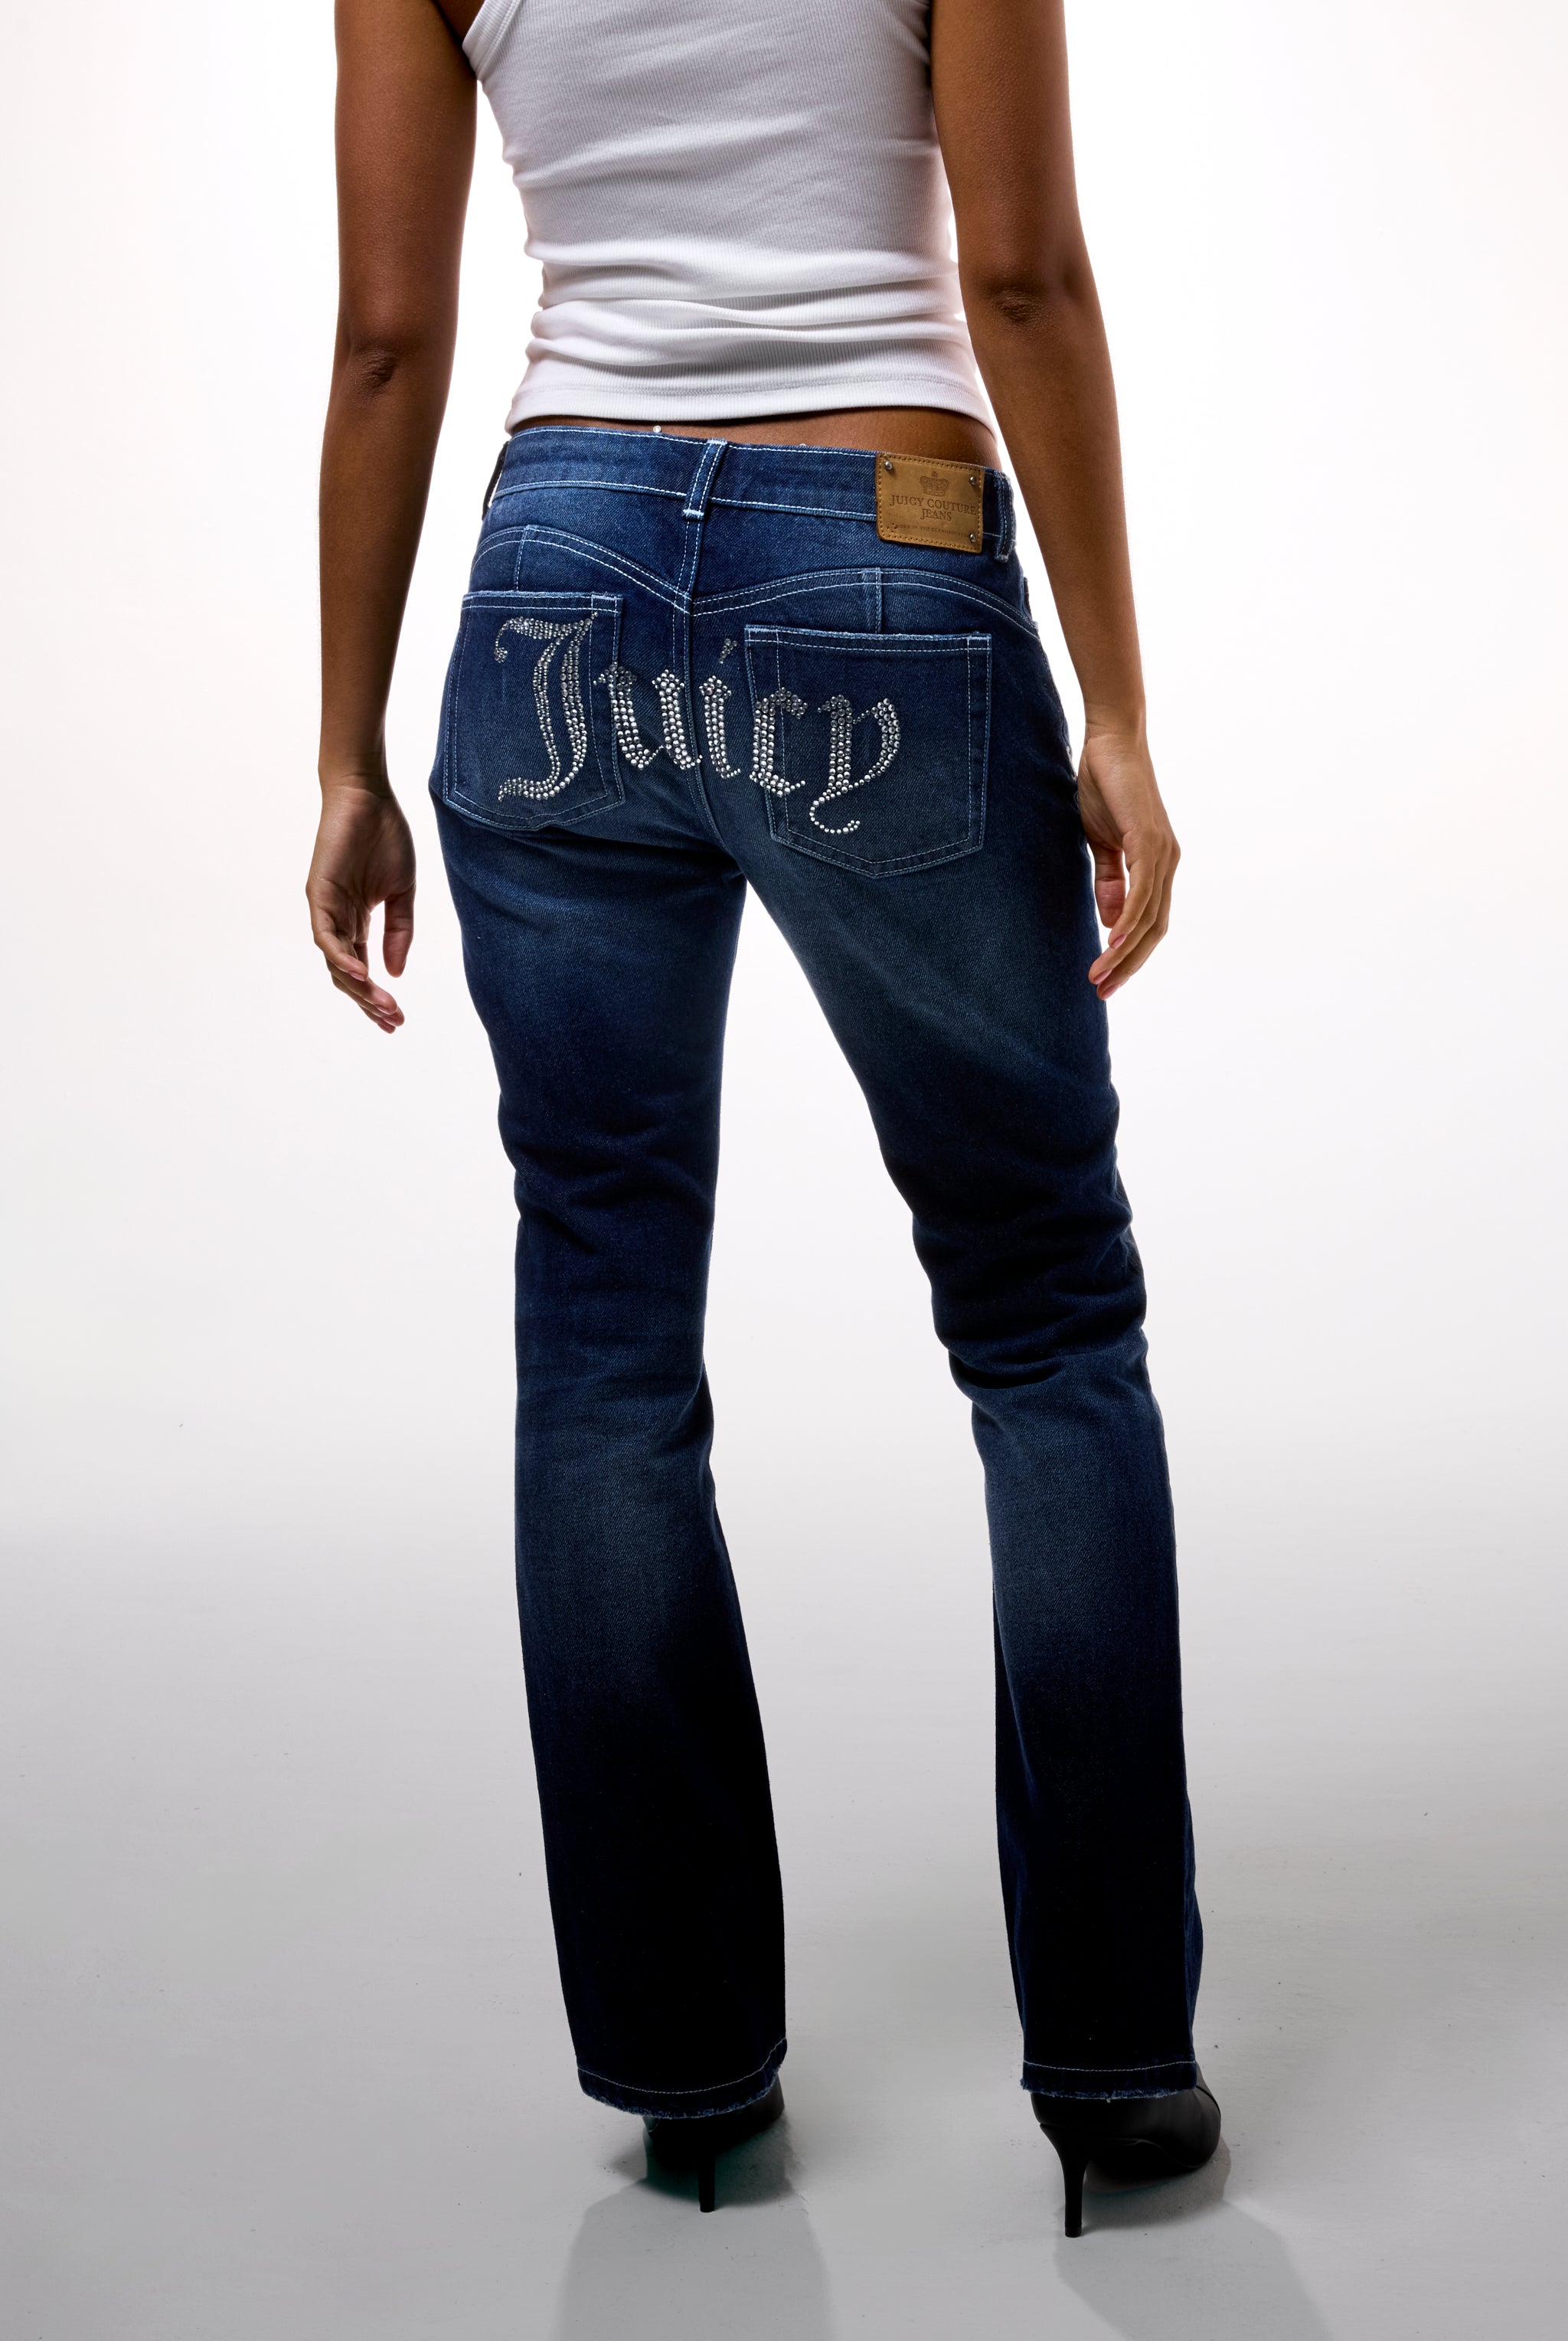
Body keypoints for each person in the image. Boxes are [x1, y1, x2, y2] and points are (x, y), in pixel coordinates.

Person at [307, 0, 1220, 2235]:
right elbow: (1021, 275)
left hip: (553, 578)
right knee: (1044, 1319)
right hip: (880, 553)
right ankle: (1117, 2066)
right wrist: (1115, 707)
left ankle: (690, 2077)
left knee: (603, 1339)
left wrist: (345, 749)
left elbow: (388, 334)